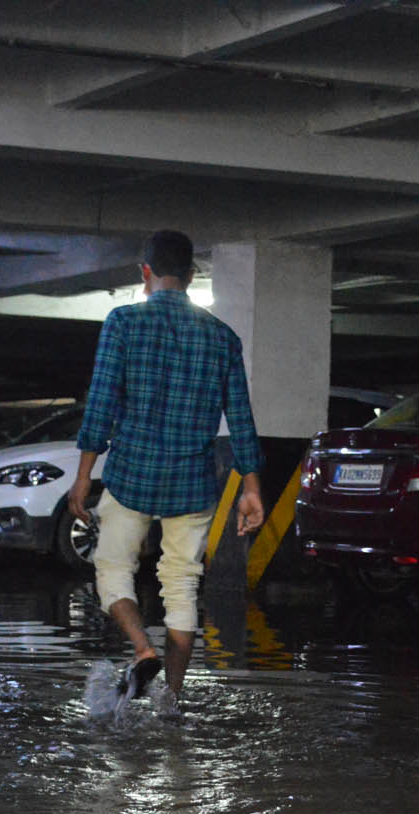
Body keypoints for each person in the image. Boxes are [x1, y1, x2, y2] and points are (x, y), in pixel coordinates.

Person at [67, 229, 266, 718]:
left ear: (145, 273)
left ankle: (143, 649)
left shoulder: (123, 323)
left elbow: (101, 402)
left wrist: (84, 475)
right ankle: (171, 706)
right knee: (181, 584)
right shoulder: (222, 337)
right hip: (192, 482)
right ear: (193, 276)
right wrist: (252, 487)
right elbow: (240, 417)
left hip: (133, 472)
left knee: (113, 568)